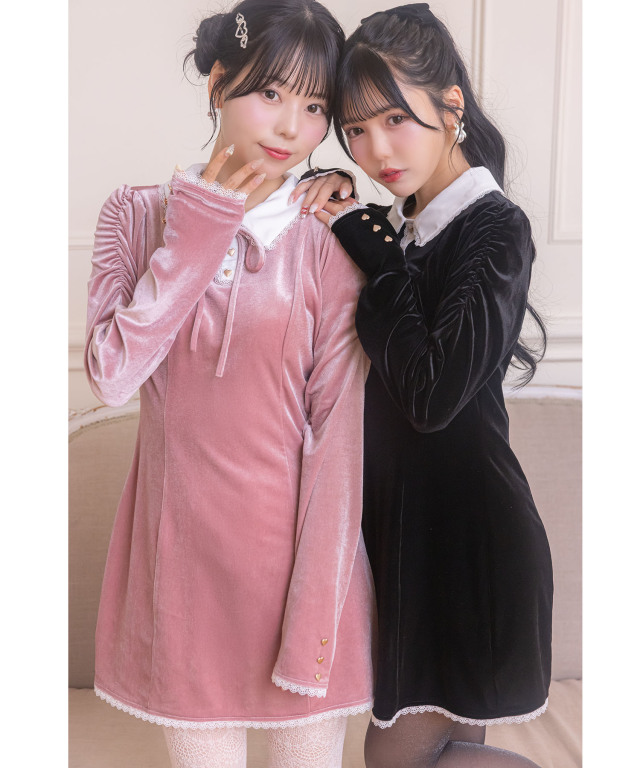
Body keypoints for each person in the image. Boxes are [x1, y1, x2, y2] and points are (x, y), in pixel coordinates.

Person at [84, 2, 375, 766]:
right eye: (270, 93)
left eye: (314, 106)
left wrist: (313, 626)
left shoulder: (327, 236)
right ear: (218, 83)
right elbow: (113, 376)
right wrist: (200, 230)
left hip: (301, 587)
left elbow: (338, 444)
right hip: (182, 586)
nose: (291, 127)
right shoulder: (137, 216)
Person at [293, 3, 554, 766]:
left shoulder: (494, 228)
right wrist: (345, 211)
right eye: (355, 130)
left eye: (395, 120)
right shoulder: (401, 227)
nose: (376, 149)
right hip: (406, 541)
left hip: (468, 541)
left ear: (451, 106)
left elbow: (432, 396)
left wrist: (375, 252)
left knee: (396, 759)